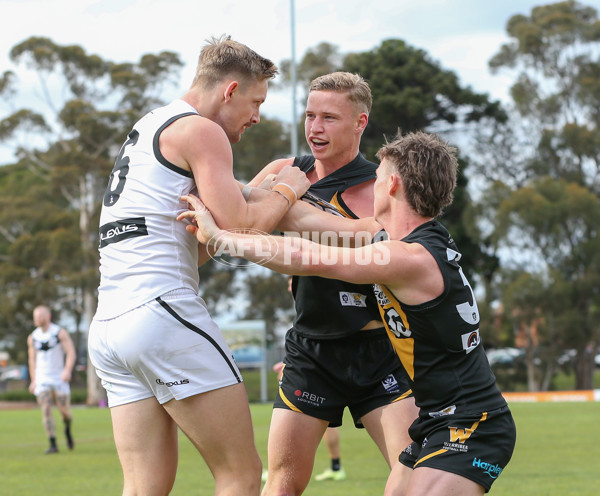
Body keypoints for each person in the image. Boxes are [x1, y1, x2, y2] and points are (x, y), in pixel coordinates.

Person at [179, 129, 517, 495]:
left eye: (379, 176)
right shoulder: (394, 239)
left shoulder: (407, 257)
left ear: (392, 186)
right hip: (437, 422)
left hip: (472, 424)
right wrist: (219, 185)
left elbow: (305, 256)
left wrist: (222, 238)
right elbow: (306, 221)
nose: (372, 182)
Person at [87, 35, 310, 496]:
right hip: (160, 312)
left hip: (109, 326)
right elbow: (241, 227)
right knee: (241, 475)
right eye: (255, 101)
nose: (257, 116)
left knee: (144, 485)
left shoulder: (150, 123)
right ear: (229, 91)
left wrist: (246, 202)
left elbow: (209, 242)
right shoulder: (200, 130)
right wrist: (289, 186)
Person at [247, 72, 417, 495]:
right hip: (311, 350)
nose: (314, 128)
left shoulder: (382, 186)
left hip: (380, 352)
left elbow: (406, 251)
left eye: (328, 118)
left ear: (360, 123)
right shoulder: (284, 173)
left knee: (413, 471)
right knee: (282, 482)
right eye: (309, 115)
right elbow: (241, 225)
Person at [27, 305, 76, 454]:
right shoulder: (32, 337)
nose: (36, 319)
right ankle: (53, 443)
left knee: (64, 413)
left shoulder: (59, 333)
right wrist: (33, 380)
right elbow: (32, 360)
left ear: (47, 316)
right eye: (35, 316)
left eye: (39, 316)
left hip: (59, 378)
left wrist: (67, 370)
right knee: (46, 410)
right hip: (42, 379)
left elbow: (71, 352)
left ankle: (67, 429)